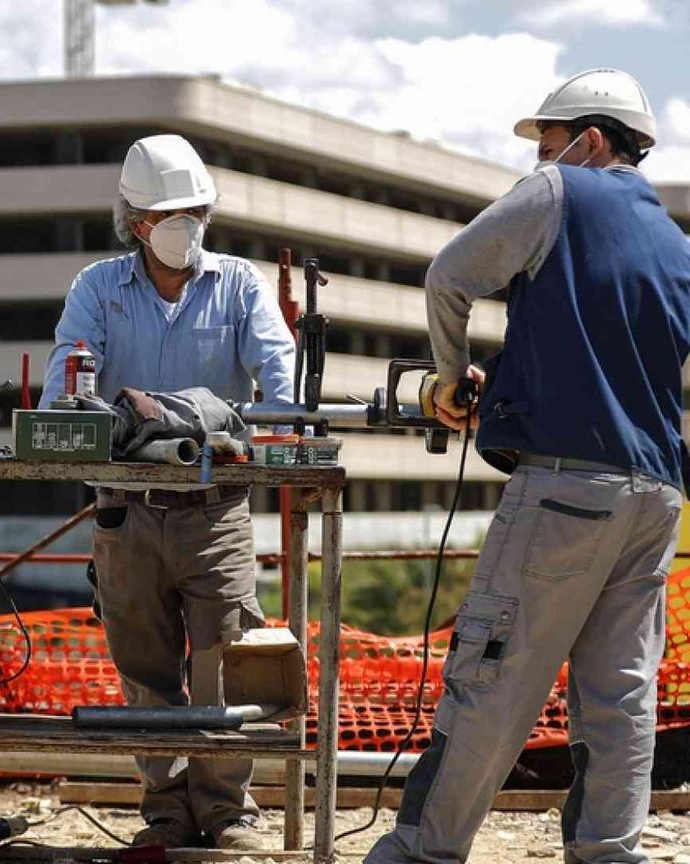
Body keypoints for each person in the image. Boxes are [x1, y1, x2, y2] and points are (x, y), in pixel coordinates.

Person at [367, 68, 690, 864]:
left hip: (564, 490)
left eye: (549, 145)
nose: (541, 160)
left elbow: (450, 275)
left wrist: (449, 380)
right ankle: (609, 853)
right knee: (620, 694)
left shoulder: (558, 191)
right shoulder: (677, 245)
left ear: (591, 139)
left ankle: (423, 850)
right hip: (655, 495)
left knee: (493, 675)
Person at [40, 134, 296, 851]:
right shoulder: (99, 288)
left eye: (195, 212)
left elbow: (280, 374)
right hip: (126, 510)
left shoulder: (239, 285)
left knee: (226, 659)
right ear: (136, 222)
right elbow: (66, 384)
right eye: (169, 215)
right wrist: (94, 409)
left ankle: (226, 810)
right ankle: (167, 809)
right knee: (145, 667)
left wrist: (272, 420)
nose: (185, 226)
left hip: (215, 511)